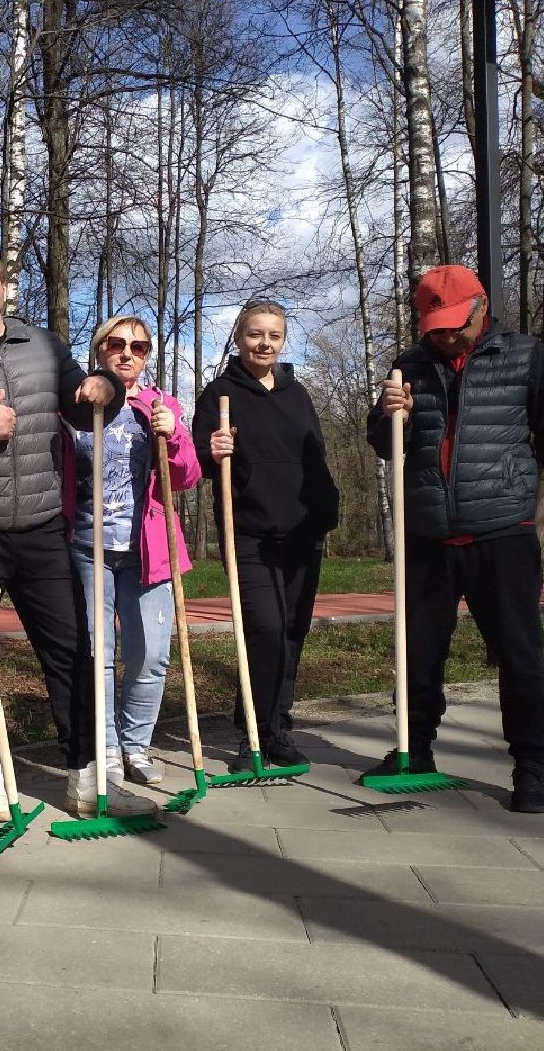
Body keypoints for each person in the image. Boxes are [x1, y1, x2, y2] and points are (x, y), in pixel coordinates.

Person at [0, 244, 158, 820]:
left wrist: (103, 390)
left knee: (72, 650)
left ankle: (85, 775)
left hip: (42, 526)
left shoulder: (43, 345)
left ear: (4, 287)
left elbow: (90, 399)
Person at [366, 264, 544, 813]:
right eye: (433, 326)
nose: (443, 336)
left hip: (502, 533)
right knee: (418, 653)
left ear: (480, 309)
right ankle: (415, 751)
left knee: (518, 654)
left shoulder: (525, 357)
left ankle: (530, 764)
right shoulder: (408, 365)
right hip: (428, 536)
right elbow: (384, 445)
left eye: (453, 326)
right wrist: (395, 416)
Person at [193, 299, 339, 770]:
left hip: (302, 530)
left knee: (293, 631)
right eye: (256, 334)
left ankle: (277, 728)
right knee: (266, 630)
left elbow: (314, 456)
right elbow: (193, 463)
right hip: (250, 531)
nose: (264, 343)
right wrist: (211, 450)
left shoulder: (299, 395)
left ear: (283, 340)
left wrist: (326, 504)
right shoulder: (219, 394)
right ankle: (250, 731)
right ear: (239, 338)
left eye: (273, 335)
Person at [65, 316, 200, 786]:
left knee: (150, 654)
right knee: (97, 653)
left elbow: (185, 478)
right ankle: (104, 748)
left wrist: (175, 432)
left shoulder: (159, 405)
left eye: (139, 347)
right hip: (88, 547)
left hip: (147, 550)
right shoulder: (76, 404)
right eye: (117, 344)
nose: (128, 354)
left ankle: (135, 746)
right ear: (100, 350)